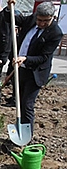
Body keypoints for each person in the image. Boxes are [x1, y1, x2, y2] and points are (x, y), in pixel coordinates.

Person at [6, 0, 62, 136]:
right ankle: (19, 129)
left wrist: (25, 58)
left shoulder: (55, 33)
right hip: (20, 69)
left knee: (27, 104)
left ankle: (27, 136)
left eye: (45, 21)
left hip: (36, 73)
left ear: (52, 18)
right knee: (18, 102)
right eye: (39, 20)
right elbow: (13, 18)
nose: (41, 23)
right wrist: (9, 8)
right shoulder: (31, 20)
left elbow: (43, 57)